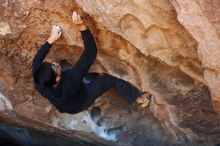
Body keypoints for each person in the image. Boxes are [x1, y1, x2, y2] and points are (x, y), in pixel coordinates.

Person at [32, 11, 152, 114]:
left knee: (78, 75)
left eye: (52, 64)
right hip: (81, 101)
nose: (55, 63)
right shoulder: (71, 80)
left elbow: (36, 61)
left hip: (65, 104)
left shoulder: (39, 81)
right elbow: (90, 52)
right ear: (57, 79)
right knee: (109, 80)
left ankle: (90, 77)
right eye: (55, 67)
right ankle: (139, 99)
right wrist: (82, 26)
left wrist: (51, 39)